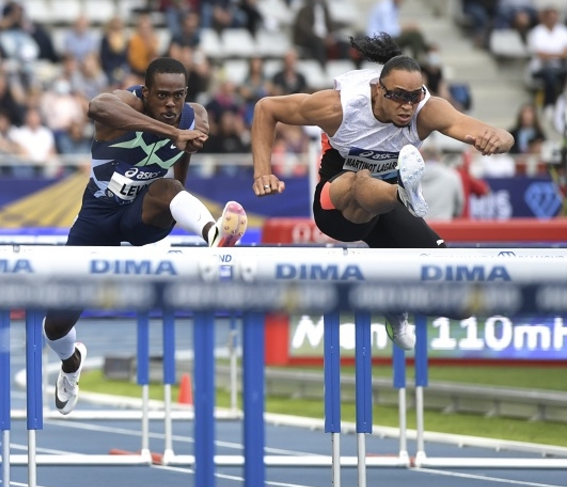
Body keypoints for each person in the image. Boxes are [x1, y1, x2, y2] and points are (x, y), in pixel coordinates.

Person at [249, 33, 514, 349]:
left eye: (414, 97)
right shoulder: (339, 107)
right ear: (377, 90)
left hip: (387, 208)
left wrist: (498, 139)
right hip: (337, 204)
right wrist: (263, 172)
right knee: (359, 181)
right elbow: (267, 109)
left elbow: (497, 133)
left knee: (459, 302)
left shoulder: (427, 110)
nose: (407, 107)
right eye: (399, 96)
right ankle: (404, 193)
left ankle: (395, 296)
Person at [43, 57, 248, 414]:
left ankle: (213, 234)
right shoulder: (122, 105)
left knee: (166, 187)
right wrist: (172, 134)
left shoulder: (195, 117)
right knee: (55, 324)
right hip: (98, 217)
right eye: (163, 96)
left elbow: (179, 181)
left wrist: (181, 146)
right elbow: (96, 106)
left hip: (141, 215)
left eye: (178, 96)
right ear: (146, 92)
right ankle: (72, 364)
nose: (171, 104)